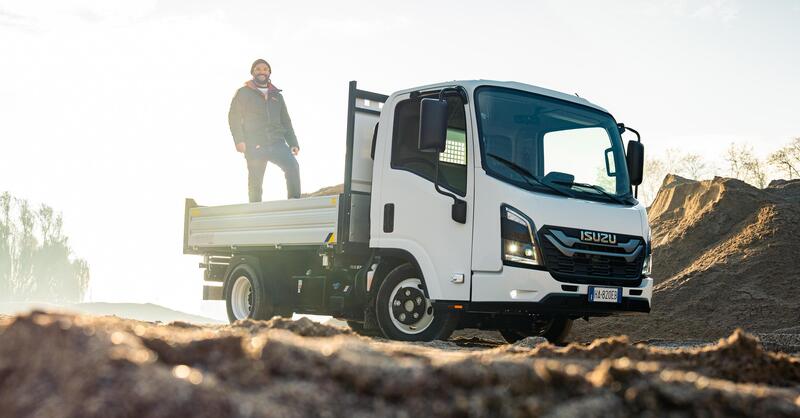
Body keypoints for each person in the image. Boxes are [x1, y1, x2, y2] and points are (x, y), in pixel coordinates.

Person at [228, 58, 301, 202]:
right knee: (256, 182)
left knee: (292, 166)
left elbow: (286, 121)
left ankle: (294, 202)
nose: (262, 71)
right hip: (255, 144)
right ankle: (254, 211)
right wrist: (239, 140)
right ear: (253, 72)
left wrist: (293, 143)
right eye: (258, 69)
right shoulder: (243, 93)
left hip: (277, 142)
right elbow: (234, 117)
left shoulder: (277, 96)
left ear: (269, 73)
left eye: (265, 69)